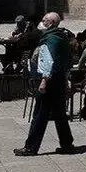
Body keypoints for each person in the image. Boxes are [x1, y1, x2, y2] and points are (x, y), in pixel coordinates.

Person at [15, 13, 77, 156]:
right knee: (60, 114)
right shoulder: (62, 37)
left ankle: (31, 147)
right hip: (60, 79)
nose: (41, 22)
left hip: (48, 81)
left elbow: (47, 61)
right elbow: (67, 61)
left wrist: (43, 81)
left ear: (51, 23)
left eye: (44, 20)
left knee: (40, 114)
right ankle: (67, 144)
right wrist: (65, 80)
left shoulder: (49, 39)